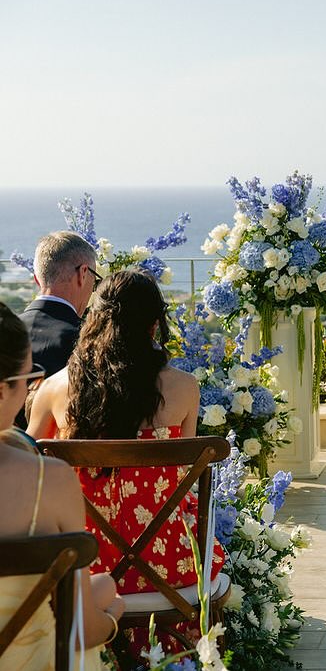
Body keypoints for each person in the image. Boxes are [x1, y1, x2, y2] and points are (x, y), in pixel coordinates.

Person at [27, 270, 223, 654]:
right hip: (170, 565)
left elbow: (31, 472)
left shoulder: (54, 389)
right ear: (154, 325)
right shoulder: (184, 388)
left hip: (85, 564)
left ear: (94, 321)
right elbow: (182, 479)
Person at [0, 302, 123, 669]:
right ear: (3, 389)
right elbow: (81, 629)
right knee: (105, 594)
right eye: (29, 378)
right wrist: (115, 615)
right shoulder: (48, 480)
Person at [14, 230, 98, 428]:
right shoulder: (87, 338)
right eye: (96, 279)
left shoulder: (6, 330)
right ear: (83, 274)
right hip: (60, 455)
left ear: (36, 279)